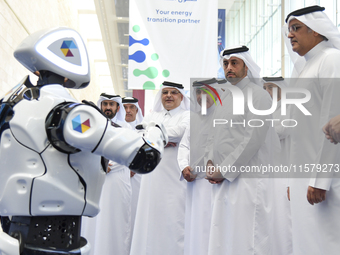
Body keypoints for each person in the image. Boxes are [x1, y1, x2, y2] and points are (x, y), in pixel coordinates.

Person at [0, 27, 167, 255]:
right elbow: (146, 158)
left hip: (12, 234)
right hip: (50, 241)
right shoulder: (74, 116)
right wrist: (157, 132)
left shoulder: (13, 106)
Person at [205, 45, 280, 255]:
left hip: (248, 181)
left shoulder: (258, 96)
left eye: (234, 63)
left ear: (246, 68)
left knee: (248, 239)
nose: (229, 68)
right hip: (224, 181)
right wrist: (210, 163)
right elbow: (214, 136)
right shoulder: (226, 98)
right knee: (224, 238)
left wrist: (223, 170)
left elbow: (252, 140)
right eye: (226, 64)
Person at [284, 5, 340, 254]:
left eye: (296, 28)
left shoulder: (331, 59)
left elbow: (333, 126)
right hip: (303, 179)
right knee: (305, 243)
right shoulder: (305, 68)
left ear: (316, 31)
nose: (290, 35)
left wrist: (320, 180)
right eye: (288, 30)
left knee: (325, 242)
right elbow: (297, 134)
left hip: (323, 181)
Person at [130, 81, 190, 255]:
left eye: (173, 92)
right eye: (165, 93)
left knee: (174, 218)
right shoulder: (152, 115)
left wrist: (153, 134)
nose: (169, 96)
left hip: (174, 178)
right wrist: (164, 138)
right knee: (150, 217)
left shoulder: (187, 115)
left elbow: (180, 131)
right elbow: (138, 135)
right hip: (151, 178)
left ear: (181, 96)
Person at [81, 93, 134, 255]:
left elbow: (129, 151)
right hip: (94, 180)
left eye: (112, 104)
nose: (108, 107)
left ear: (118, 108)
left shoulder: (127, 129)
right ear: (100, 106)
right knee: (92, 223)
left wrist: (107, 164)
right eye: (105, 104)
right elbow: (80, 144)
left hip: (116, 181)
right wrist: (98, 163)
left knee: (114, 222)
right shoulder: (88, 124)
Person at [178, 78, 224, 255]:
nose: (201, 96)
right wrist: (184, 167)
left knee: (212, 228)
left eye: (205, 91)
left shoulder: (223, 117)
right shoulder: (193, 119)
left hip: (214, 183)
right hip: (195, 184)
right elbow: (184, 146)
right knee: (195, 228)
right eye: (198, 92)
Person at [263, 76, 293, 255]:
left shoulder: (291, 108)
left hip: (285, 172)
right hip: (267, 172)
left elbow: (281, 130)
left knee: (285, 221)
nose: (267, 92)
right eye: (265, 87)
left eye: (272, 87)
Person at [122, 96, 144, 237]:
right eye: (124, 107)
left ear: (137, 110)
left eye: (131, 107)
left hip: (138, 179)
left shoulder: (145, 128)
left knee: (136, 213)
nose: (128, 111)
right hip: (117, 179)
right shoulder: (114, 128)